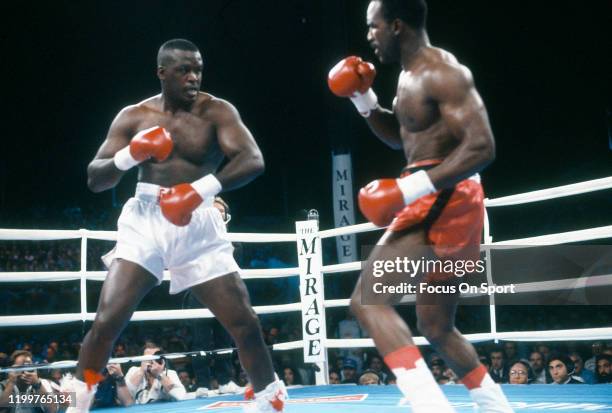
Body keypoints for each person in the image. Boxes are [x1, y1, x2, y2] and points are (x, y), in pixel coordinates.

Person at [62, 38, 285, 413]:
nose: (193, 77)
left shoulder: (217, 112)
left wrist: (199, 191)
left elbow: (252, 159)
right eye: (184, 70)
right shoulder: (133, 117)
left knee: (244, 322)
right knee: (108, 320)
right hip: (146, 219)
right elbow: (95, 178)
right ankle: (77, 403)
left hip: (198, 221)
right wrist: (130, 154)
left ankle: (270, 396)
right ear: (162, 72)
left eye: (198, 69)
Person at [328, 1, 513, 412]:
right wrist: (363, 99)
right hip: (449, 195)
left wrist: (410, 190)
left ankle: (429, 404)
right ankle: (496, 407)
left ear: (396, 25)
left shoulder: (442, 71)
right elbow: (402, 136)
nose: (369, 36)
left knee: (368, 300)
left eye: (373, 27)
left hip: (443, 194)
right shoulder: (409, 76)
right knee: (436, 326)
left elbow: (482, 146)